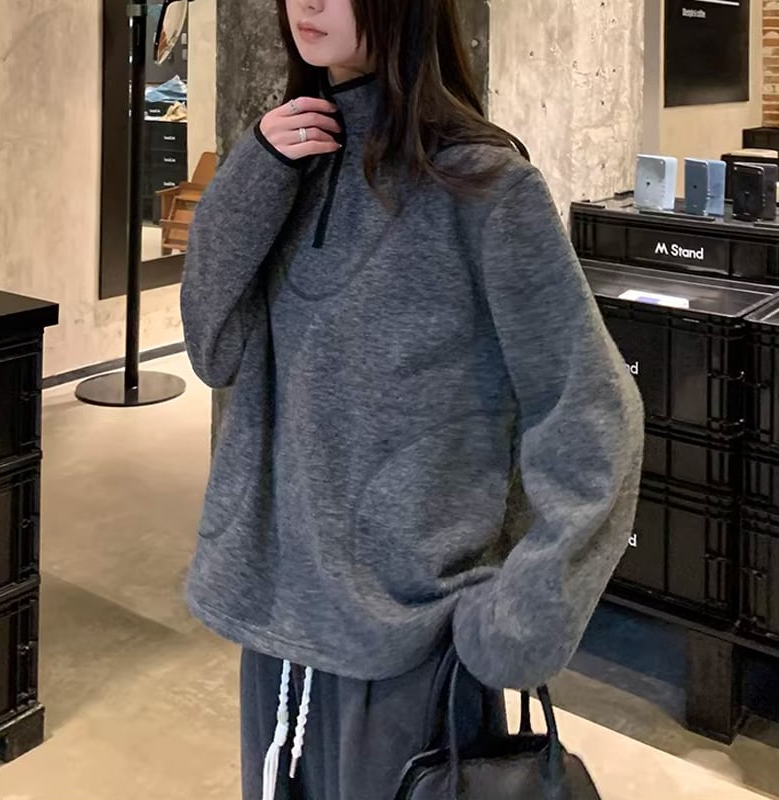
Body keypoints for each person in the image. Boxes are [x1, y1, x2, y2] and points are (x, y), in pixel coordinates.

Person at [180, 0, 645, 798]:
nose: (306, 2)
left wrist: (519, 620)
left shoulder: (485, 187)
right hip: (275, 625)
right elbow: (212, 350)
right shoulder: (291, 168)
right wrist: (252, 172)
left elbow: (593, 411)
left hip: (410, 647)